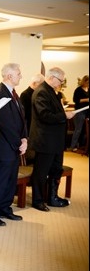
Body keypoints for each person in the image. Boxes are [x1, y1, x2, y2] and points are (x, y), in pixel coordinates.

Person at [0, 63, 27, 226]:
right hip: (5, 145)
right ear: (9, 76)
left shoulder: (13, 93)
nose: (20, 76)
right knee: (1, 179)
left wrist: (25, 139)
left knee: (10, 179)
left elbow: (22, 119)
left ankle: (4, 208)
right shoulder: (0, 93)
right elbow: (6, 124)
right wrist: (19, 143)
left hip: (15, 144)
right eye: (18, 73)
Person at [29, 67, 75, 212]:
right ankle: (38, 200)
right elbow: (45, 116)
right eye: (61, 80)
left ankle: (52, 197)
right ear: (52, 78)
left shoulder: (53, 92)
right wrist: (64, 116)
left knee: (56, 169)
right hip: (45, 140)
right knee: (41, 172)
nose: (61, 83)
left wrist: (63, 113)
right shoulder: (41, 92)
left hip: (55, 140)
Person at [68, 75, 89, 151]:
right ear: (84, 81)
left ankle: (82, 145)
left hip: (87, 111)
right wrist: (86, 100)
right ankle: (72, 146)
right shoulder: (78, 90)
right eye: (87, 82)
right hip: (79, 111)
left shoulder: (88, 89)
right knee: (78, 129)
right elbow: (75, 100)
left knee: (85, 130)